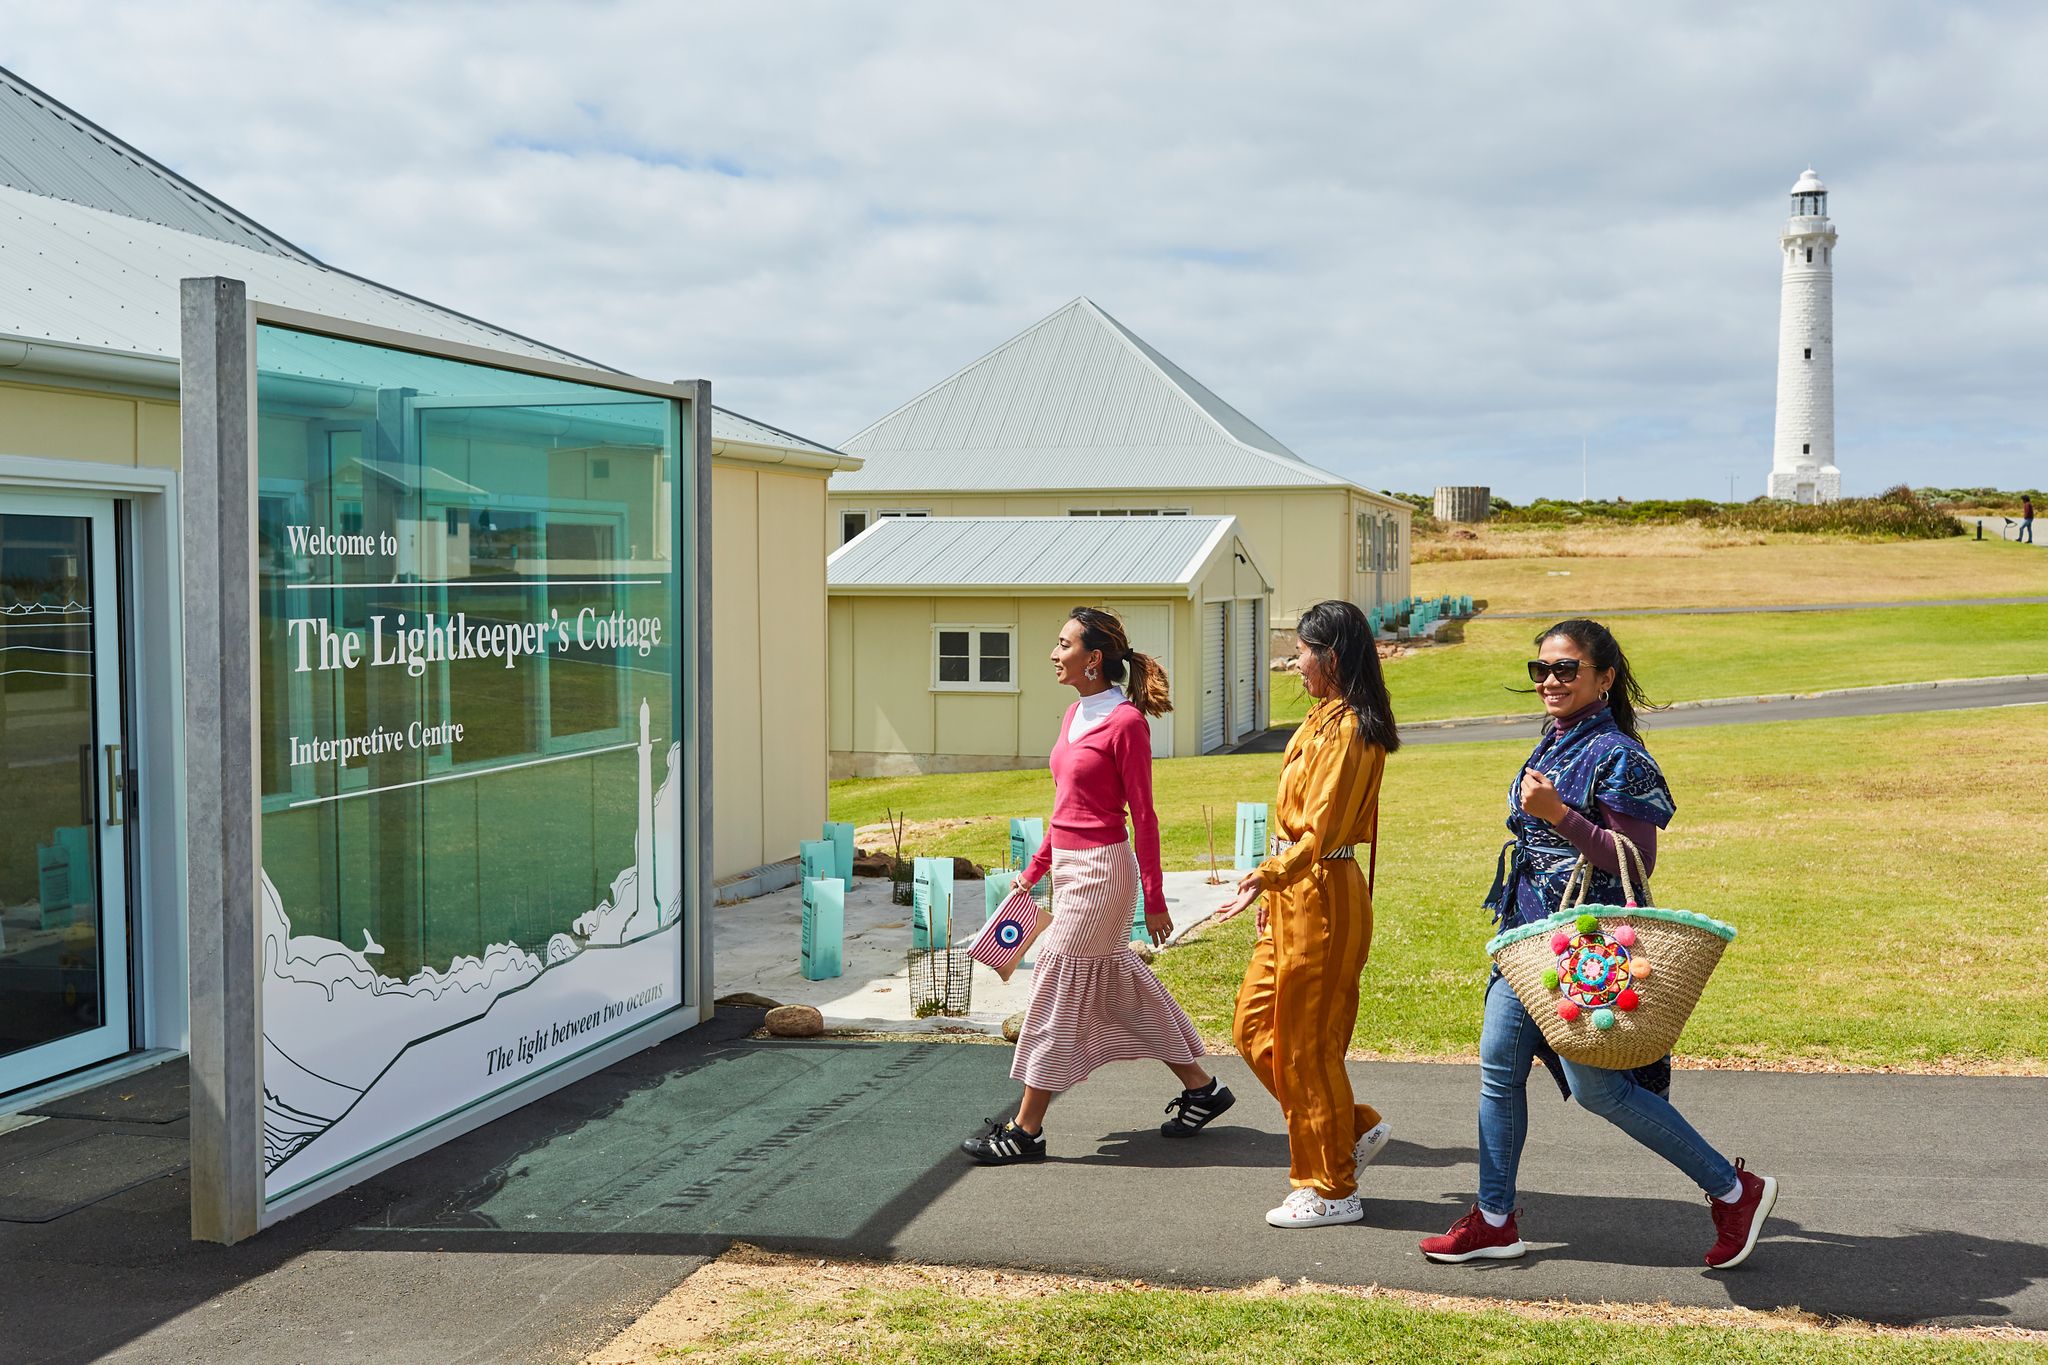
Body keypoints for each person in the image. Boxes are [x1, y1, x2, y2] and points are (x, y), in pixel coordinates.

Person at [1420, 618, 1779, 1270]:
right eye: (1541, 669)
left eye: (1566, 669)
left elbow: (1636, 858)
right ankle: (1494, 1218)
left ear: (1604, 678)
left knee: (1600, 1092)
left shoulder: (1617, 754)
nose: (1550, 680)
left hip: (1584, 953)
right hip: (1527, 942)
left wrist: (1559, 813)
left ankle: (1733, 1189)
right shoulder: (1555, 741)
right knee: (1499, 1068)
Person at [961, 607, 1228, 1164]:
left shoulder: (1127, 722)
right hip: (1070, 871)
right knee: (1120, 980)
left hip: (1105, 873)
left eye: (1063, 645)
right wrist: (1035, 872)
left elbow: (1145, 817)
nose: (1054, 655)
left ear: (1093, 658)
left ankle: (1025, 1129)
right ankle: (1202, 1088)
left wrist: (1154, 900)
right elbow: (1066, 808)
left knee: (1056, 985)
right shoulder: (1073, 714)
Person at [1215, 600, 1399, 1228]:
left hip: (1323, 894)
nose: (1296, 665)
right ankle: (1351, 1128)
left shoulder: (1350, 729)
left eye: (1302, 652)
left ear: (1332, 656)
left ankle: (1330, 1187)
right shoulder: (1320, 718)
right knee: (1254, 1030)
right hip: (1292, 895)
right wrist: (1272, 894)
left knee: (1308, 1048)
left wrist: (1263, 878)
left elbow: (1319, 834)